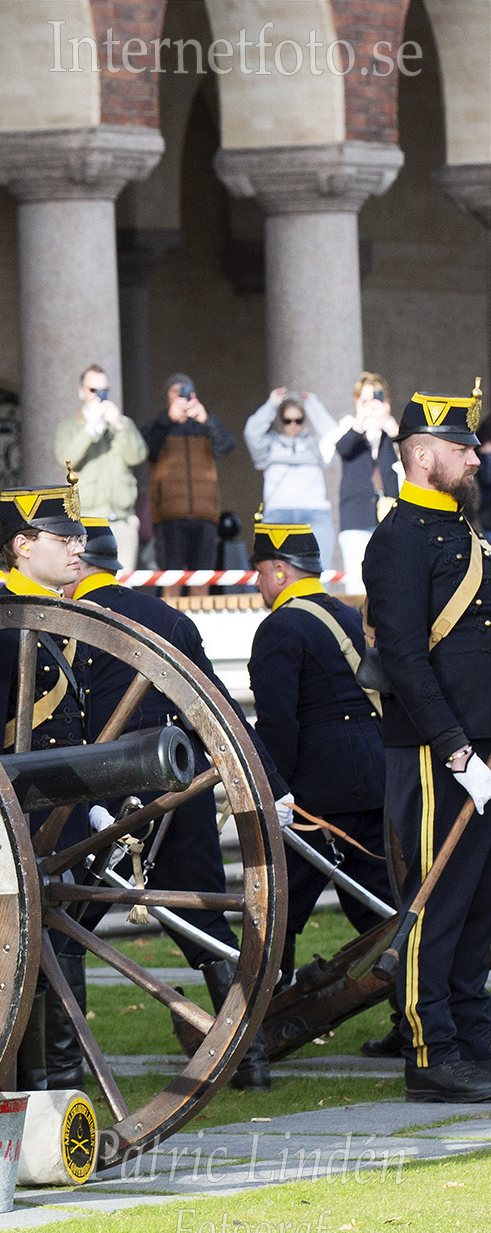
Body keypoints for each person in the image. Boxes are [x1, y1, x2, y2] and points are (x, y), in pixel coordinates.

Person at [71, 517, 273, 1090]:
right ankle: (251, 1062)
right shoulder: (168, 618)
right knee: (206, 922)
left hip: (97, 791)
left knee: (63, 923)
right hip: (179, 789)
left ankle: (58, 1072)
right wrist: (271, 784)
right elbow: (220, 713)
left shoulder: (67, 621)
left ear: (78, 563)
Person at [361, 388, 491, 1104]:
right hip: (438, 750)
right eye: (461, 448)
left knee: (479, 905)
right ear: (422, 454)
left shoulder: (465, 533)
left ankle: (472, 1035)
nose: (475, 458)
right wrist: (456, 748)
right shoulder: (399, 540)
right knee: (434, 904)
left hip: (480, 744)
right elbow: (406, 658)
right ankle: (429, 1050)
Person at [0, 482, 92, 1091]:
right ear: (23, 546)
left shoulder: (62, 619)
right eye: (65, 538)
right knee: (9, 951)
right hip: (16, 820)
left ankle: (57, 1085)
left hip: (63, 815)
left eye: (80, 538)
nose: (79, 548)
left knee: (62, 948)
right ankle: (10, 1084)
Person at [243, 518, 401, 1048]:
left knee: (276, 912)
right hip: (373, 778)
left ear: (280, 570)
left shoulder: (280, 628)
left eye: (260, 572)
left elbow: (279, 724)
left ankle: (257, 1031)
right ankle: (416, 1022)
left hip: (317, 794)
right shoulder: (344, 614)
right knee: (381, 911)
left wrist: (273, 788)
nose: (258, 583)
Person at [143, 374, 236, 594]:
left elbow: (226, 446)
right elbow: (144, 449)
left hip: (205, 515)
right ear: (168, 396)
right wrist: (168, 420)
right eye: (177, 392)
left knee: (201, 582)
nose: (182, 397)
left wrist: (207, 420)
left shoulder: (204, 427)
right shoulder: (159, 426)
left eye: (186, 392)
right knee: (171, 582)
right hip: (169, 516)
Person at [52, 365, 148, 570]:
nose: (99, 396)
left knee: (123, 583)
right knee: (86, 581)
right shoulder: (69, 427)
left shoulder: (122, 424)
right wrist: (90, 428)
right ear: (81, 391)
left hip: (122, 520)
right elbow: (67, 460)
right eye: (93, 390)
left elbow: (137, 456)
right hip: (87, 519)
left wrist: (119, 426)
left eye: (104, 390)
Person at [244, 387, 339, 562]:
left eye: (298, 420)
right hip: (278, 514)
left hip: (314, 514)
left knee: (320, 567)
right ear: (281, 420)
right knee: (276, 570)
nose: (293, 425)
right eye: (288, 421)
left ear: (305, 420)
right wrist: (271, 405)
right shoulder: (270, 445)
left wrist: (312, 405)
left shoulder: (315, 445)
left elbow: (334, 436)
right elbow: (252, 433)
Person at [333, 373, 400, 586]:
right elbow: (343, 448)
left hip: (388, 515)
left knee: (389, 579)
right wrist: (361, 420)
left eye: (376, 399)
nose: (371, 405)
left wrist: (387, 421)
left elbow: (409, 451)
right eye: (365, 400)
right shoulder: (350, 427)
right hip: (356, 517)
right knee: (357, 582)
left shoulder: (390, 431)